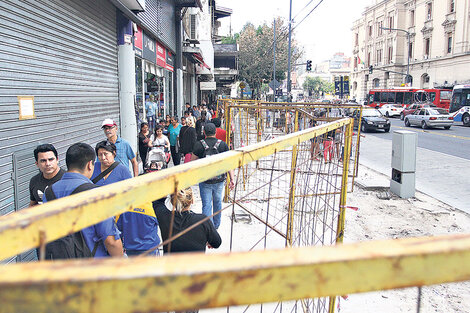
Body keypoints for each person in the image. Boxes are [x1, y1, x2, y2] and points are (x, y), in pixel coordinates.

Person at [43, 143, 123, 258]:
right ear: (90, 165)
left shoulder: (49, 193)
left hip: (60, 266)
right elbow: (110, 240)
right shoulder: (97, 194)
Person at [191, 123, 234, 229]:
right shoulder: (223, 145)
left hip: (204, 180)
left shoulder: (199, 144)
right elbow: (229, 164)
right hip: (219, 180)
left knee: (206, 204)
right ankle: (216, 226)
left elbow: (192, 163)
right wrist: (232, 179)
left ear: (204, 132)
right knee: (217, 202)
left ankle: (208, 228)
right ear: (215, 132)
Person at [154, 187, 221, 253]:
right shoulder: (202, 220)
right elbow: (217, 243)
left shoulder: (163, 216)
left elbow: (157, 202)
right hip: (196, 263)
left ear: (172, 201)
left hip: (171, 263)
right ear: (192, 201)